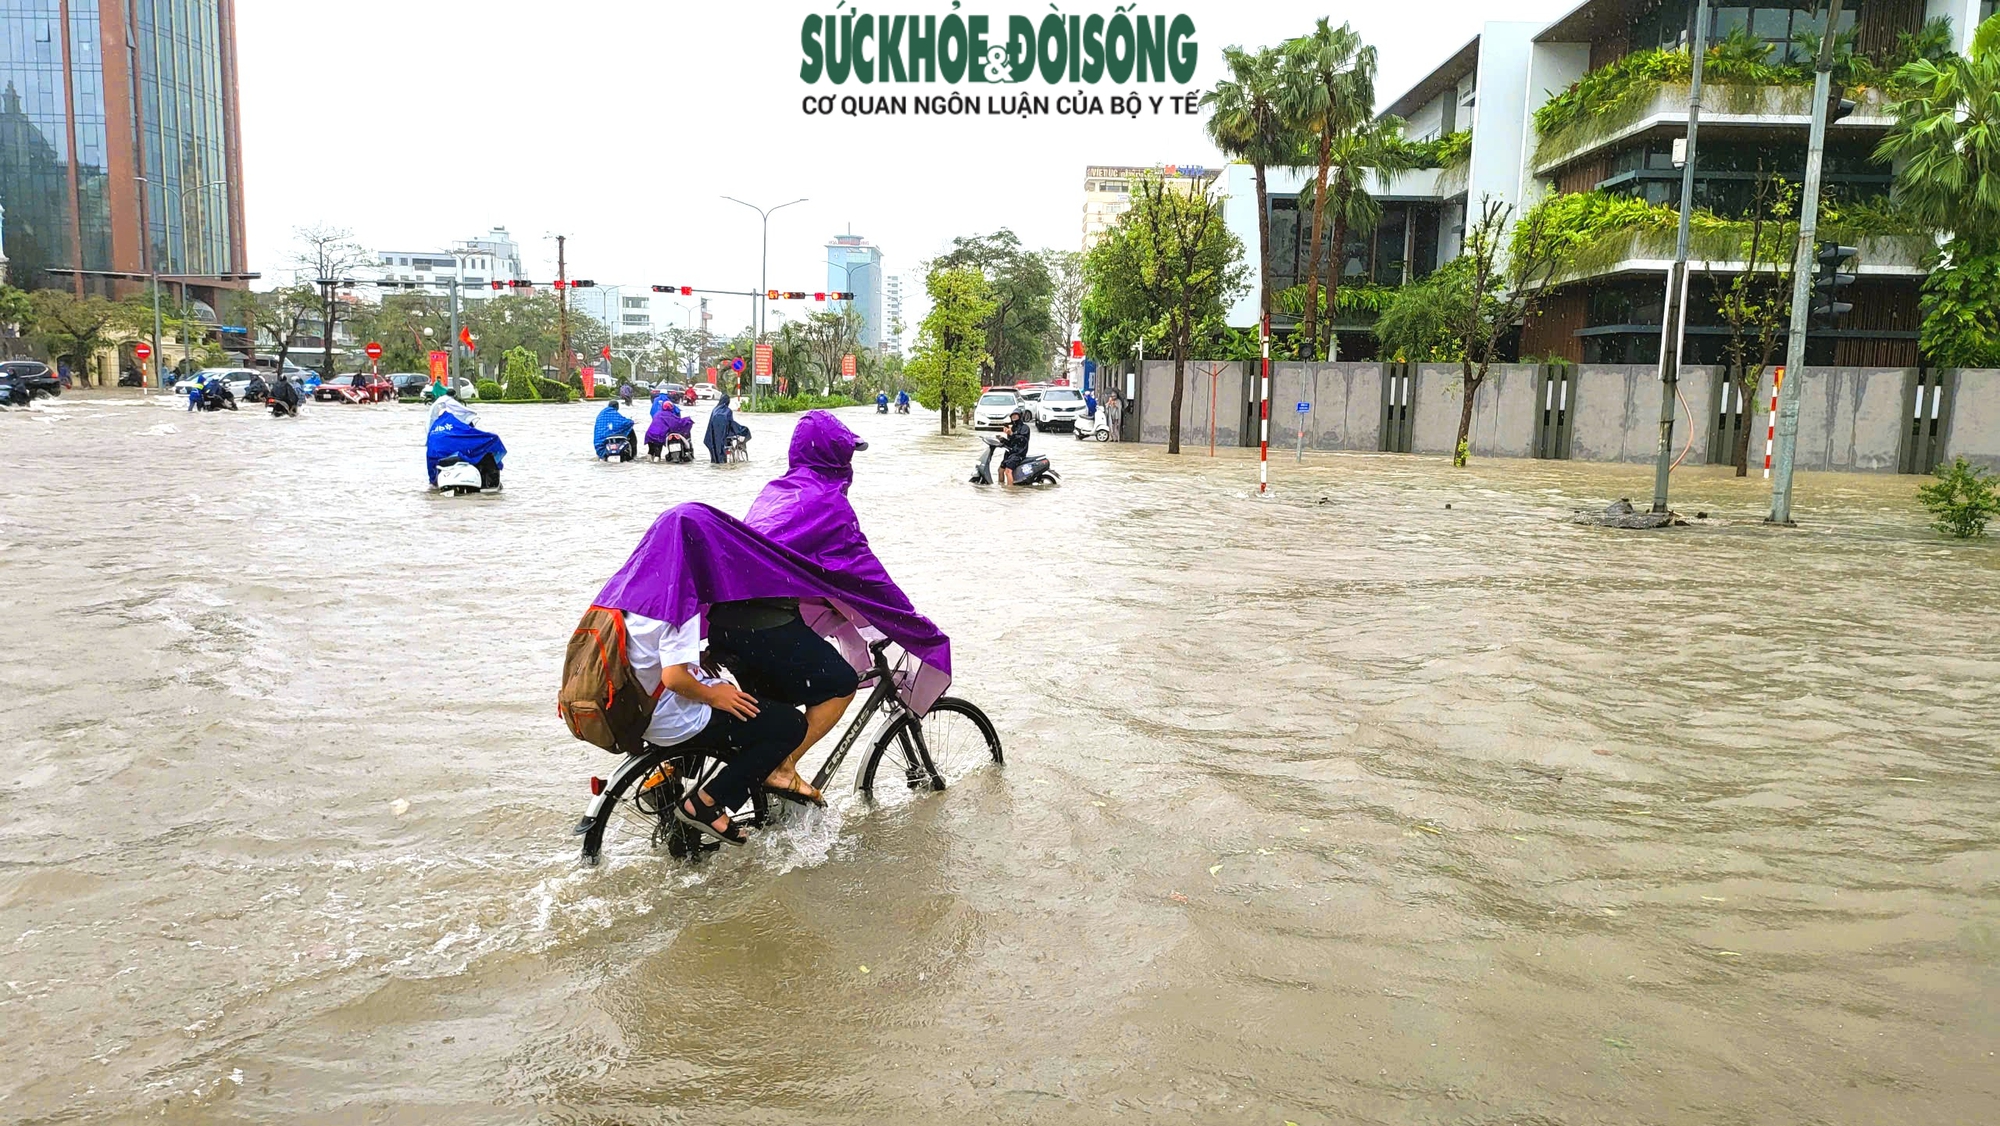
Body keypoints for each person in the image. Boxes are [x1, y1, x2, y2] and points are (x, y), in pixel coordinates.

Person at [590, 498, 953, 844]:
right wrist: (717, 693)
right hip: (673, 712)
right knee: (789, 725)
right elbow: (674, 678)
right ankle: (705, 803)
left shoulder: (629, 590)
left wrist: (704, 664)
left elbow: (650, 657)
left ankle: (696, 780)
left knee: (763, 711)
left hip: (639, 706)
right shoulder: (676, 597)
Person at [426, 392, 506, 488]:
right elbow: (471, 437)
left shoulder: (435, 427)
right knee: (487, 449)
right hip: (448, 455)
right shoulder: (457, 423)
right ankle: (490, 485)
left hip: (435, 459)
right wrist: (490, 438)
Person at [704, 391, 749, 464]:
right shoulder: (728, 411)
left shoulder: (714, 410)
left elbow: (710, 424)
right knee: (744, 431)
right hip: (726, 434)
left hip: (714, 435)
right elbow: (731, 423)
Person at [996, 406, 1032, 486]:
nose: (1014, 417)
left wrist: (1011, 434)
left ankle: (1010, 490)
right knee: (1000, 470)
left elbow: (1022, 440)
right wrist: (1003, 440)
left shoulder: (1025, 428)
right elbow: (1011, 442)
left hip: (1019, 453)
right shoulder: (1012, 428)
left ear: (1020, 416)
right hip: (1010, 453)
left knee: (1008, 471)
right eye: (1012, 415)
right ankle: (1001, 487)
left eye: (1016, 415)